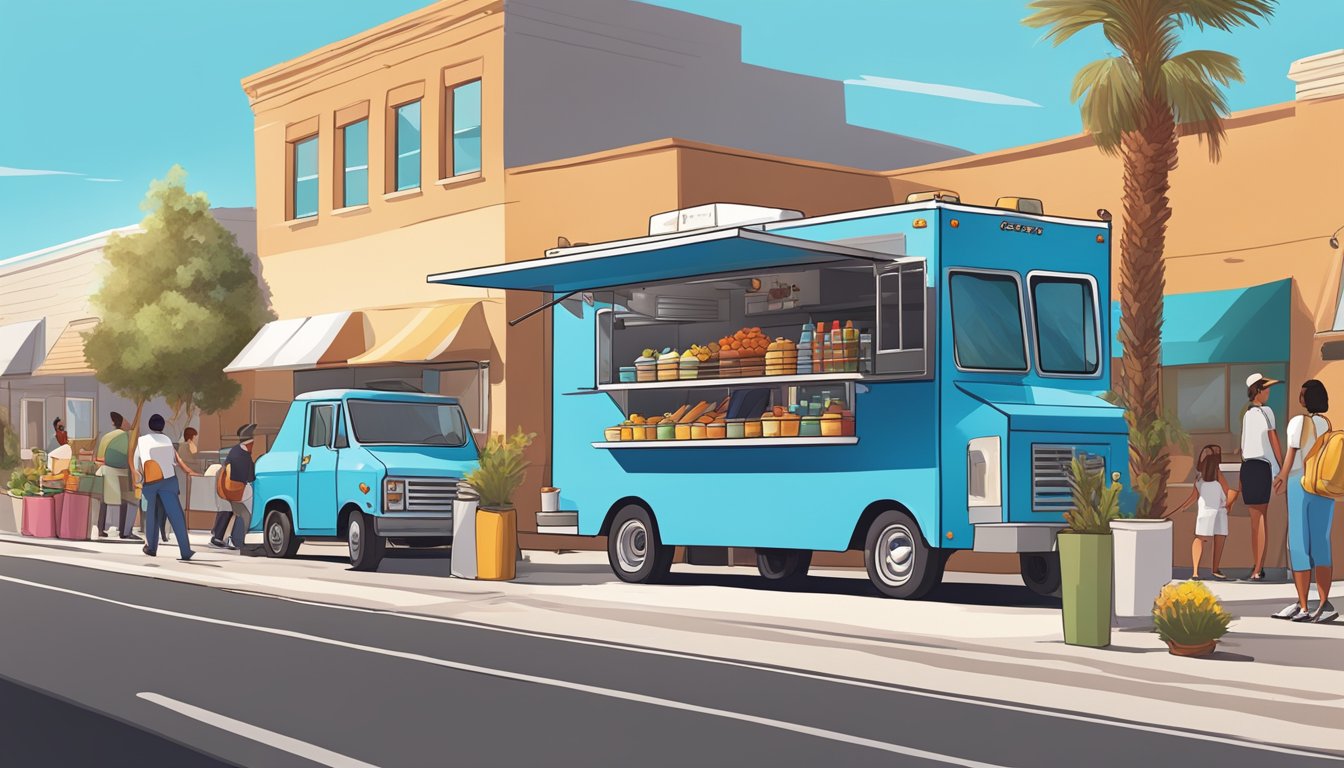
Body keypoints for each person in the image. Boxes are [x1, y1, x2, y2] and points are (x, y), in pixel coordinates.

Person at [1272, 379, 1338, 623]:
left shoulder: (1298, 422)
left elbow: (1291, 456)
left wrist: (1280, 477)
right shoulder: (1326, 424)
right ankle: (1323, 604)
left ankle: (1303, 606)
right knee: (1321, 543)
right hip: (1323, 485)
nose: (1299, 397)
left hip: (1299, 483)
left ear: (1306, 399)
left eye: (1302, 394)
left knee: (1299, 544)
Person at [132, 414, 196, 561]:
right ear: (162, 427)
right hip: (168, 481)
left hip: (151, 482)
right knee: (176, 515)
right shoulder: (167, 440)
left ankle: (151, 548)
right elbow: (174, 461)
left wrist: (140, 479)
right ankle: (185, 550)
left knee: (151, 514)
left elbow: (137, 463)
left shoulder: (142, 441)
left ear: (149, 426)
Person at [1168, 445, 1236, 581]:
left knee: (1202, 538)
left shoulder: (1200, 477)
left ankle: (1196, 572)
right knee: (1217, 539)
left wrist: (1184, 507)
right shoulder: (1214, 475)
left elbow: (1194, 496)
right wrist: (1229, 505)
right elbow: (1229, 491)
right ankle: (1211, 570)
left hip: (1209, 511)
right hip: (1218, 511)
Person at [1239, 373, 1283, 582]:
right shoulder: (1258, 412)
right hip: (1254, 467)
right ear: (1257, 390)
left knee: (1258, 519)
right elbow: (1270, 439)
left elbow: (1269, 439)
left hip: (1255, 467)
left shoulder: (1258, 413)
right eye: (1266, 389)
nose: (1268, 392)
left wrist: (1281, 468)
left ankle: (1258, 567)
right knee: (1257, 521)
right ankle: (1257, 567)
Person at [210, 424, 256, 551]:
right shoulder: (244, 456)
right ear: (248, 443)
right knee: (247, 512)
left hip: (225, 486)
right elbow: (250, 478)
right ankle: (235, 540)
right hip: (235, 490)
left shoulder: (235, 450)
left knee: (228, 510)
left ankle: (218, 536)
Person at [93, 412, 137, 540]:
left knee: (104, 502)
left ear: (113, 423)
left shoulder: (107, 437)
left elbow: (100, 457)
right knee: (126, 501)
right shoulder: (127, 436)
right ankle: (124, 531)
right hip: (122, 472)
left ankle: (101, 529)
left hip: (106, 471)